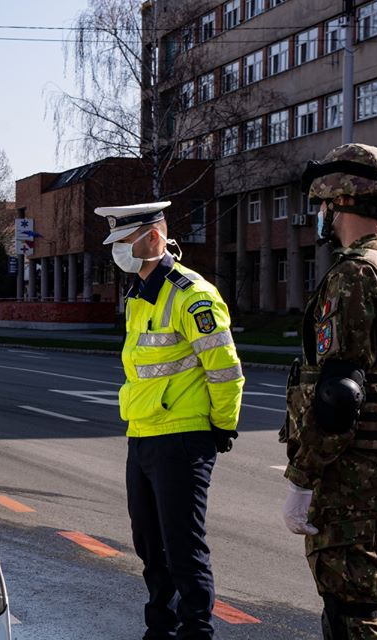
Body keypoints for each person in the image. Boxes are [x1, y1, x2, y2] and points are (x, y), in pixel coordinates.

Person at [282, 143, 377, 639]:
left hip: (356, 491)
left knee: (356, 617)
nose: (320, 216)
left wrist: (301, 480)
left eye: (322, 205)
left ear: (338, 202)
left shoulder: (356, 275)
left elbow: (339, 396)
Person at [96, 201, 244, 640]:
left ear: (154, 239)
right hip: (142, 435)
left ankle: (197, 631)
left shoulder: (191, 295)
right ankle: (160, 628)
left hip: (182, 439)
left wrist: (221, 427)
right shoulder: (140, 296)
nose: (119, 251)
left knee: (183, 548)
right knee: (149, 547)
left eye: (125, 241)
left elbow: (225, 370)